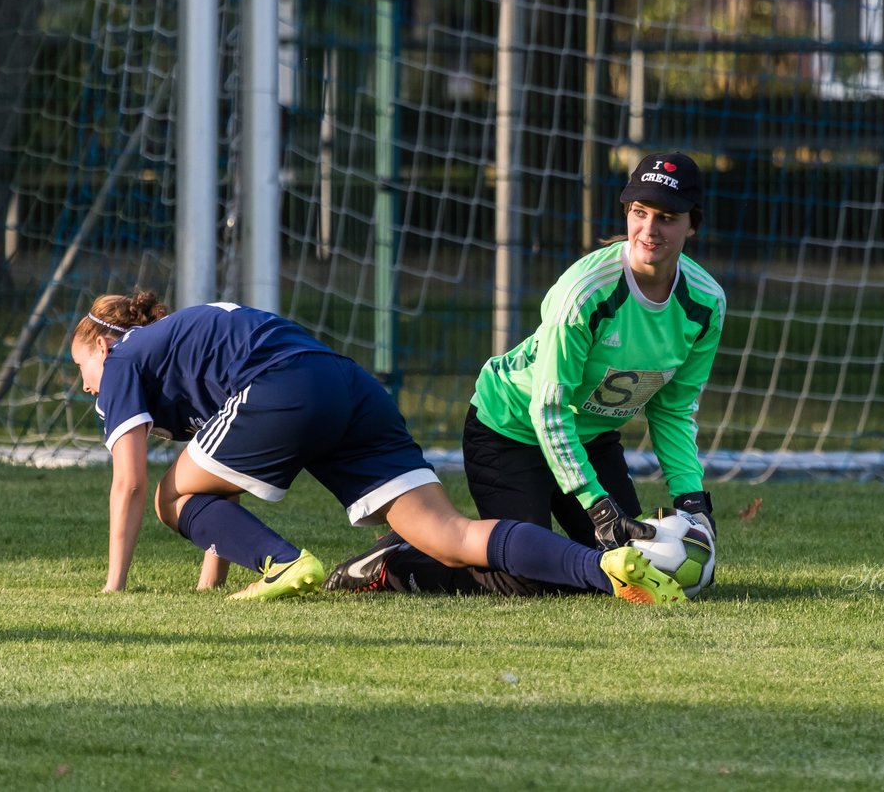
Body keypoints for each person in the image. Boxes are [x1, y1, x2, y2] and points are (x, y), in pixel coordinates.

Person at [69, 292, 685, 603]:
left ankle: (286, 564)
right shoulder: (185, 351)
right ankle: (603, 570)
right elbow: (222, 495)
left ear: (103, 343)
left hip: (282, 387)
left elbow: (128, 482)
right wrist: (210, 587)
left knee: (165, 496)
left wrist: (113, 589)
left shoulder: (124, 359)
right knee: (448, 534)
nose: (86, 382)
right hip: (348, 385)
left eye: (81, 365)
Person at [326, 150, 725, 596]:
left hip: (588, 441)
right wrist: (597, 504)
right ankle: (400, 561)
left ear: (692, 223)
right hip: (510, 430)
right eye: (639, 212)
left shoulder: (706, 304)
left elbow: (672, 409)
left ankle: (459, 544)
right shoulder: (586, 293)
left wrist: (691, 500)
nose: (649, 230)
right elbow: (549, 409)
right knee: (528, 578)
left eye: (667, 217)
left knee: (625, 567)